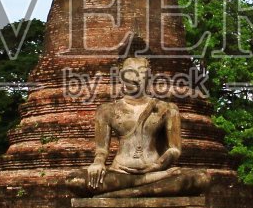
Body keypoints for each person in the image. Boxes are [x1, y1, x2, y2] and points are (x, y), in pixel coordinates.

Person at [65, 55, 210, 198]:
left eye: (141, 71)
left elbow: (175, 149)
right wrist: (98, 163)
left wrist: (157, 166)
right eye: (129, 71)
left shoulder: (166, 108)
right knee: (75, 180)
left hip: (156, 170)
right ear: (121, 76)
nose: (135, 77)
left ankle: (125, 192)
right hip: (120, 172)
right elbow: (101, 150)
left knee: (200, 178)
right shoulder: (107, 110)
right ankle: (144, 184)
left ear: (149, 76)